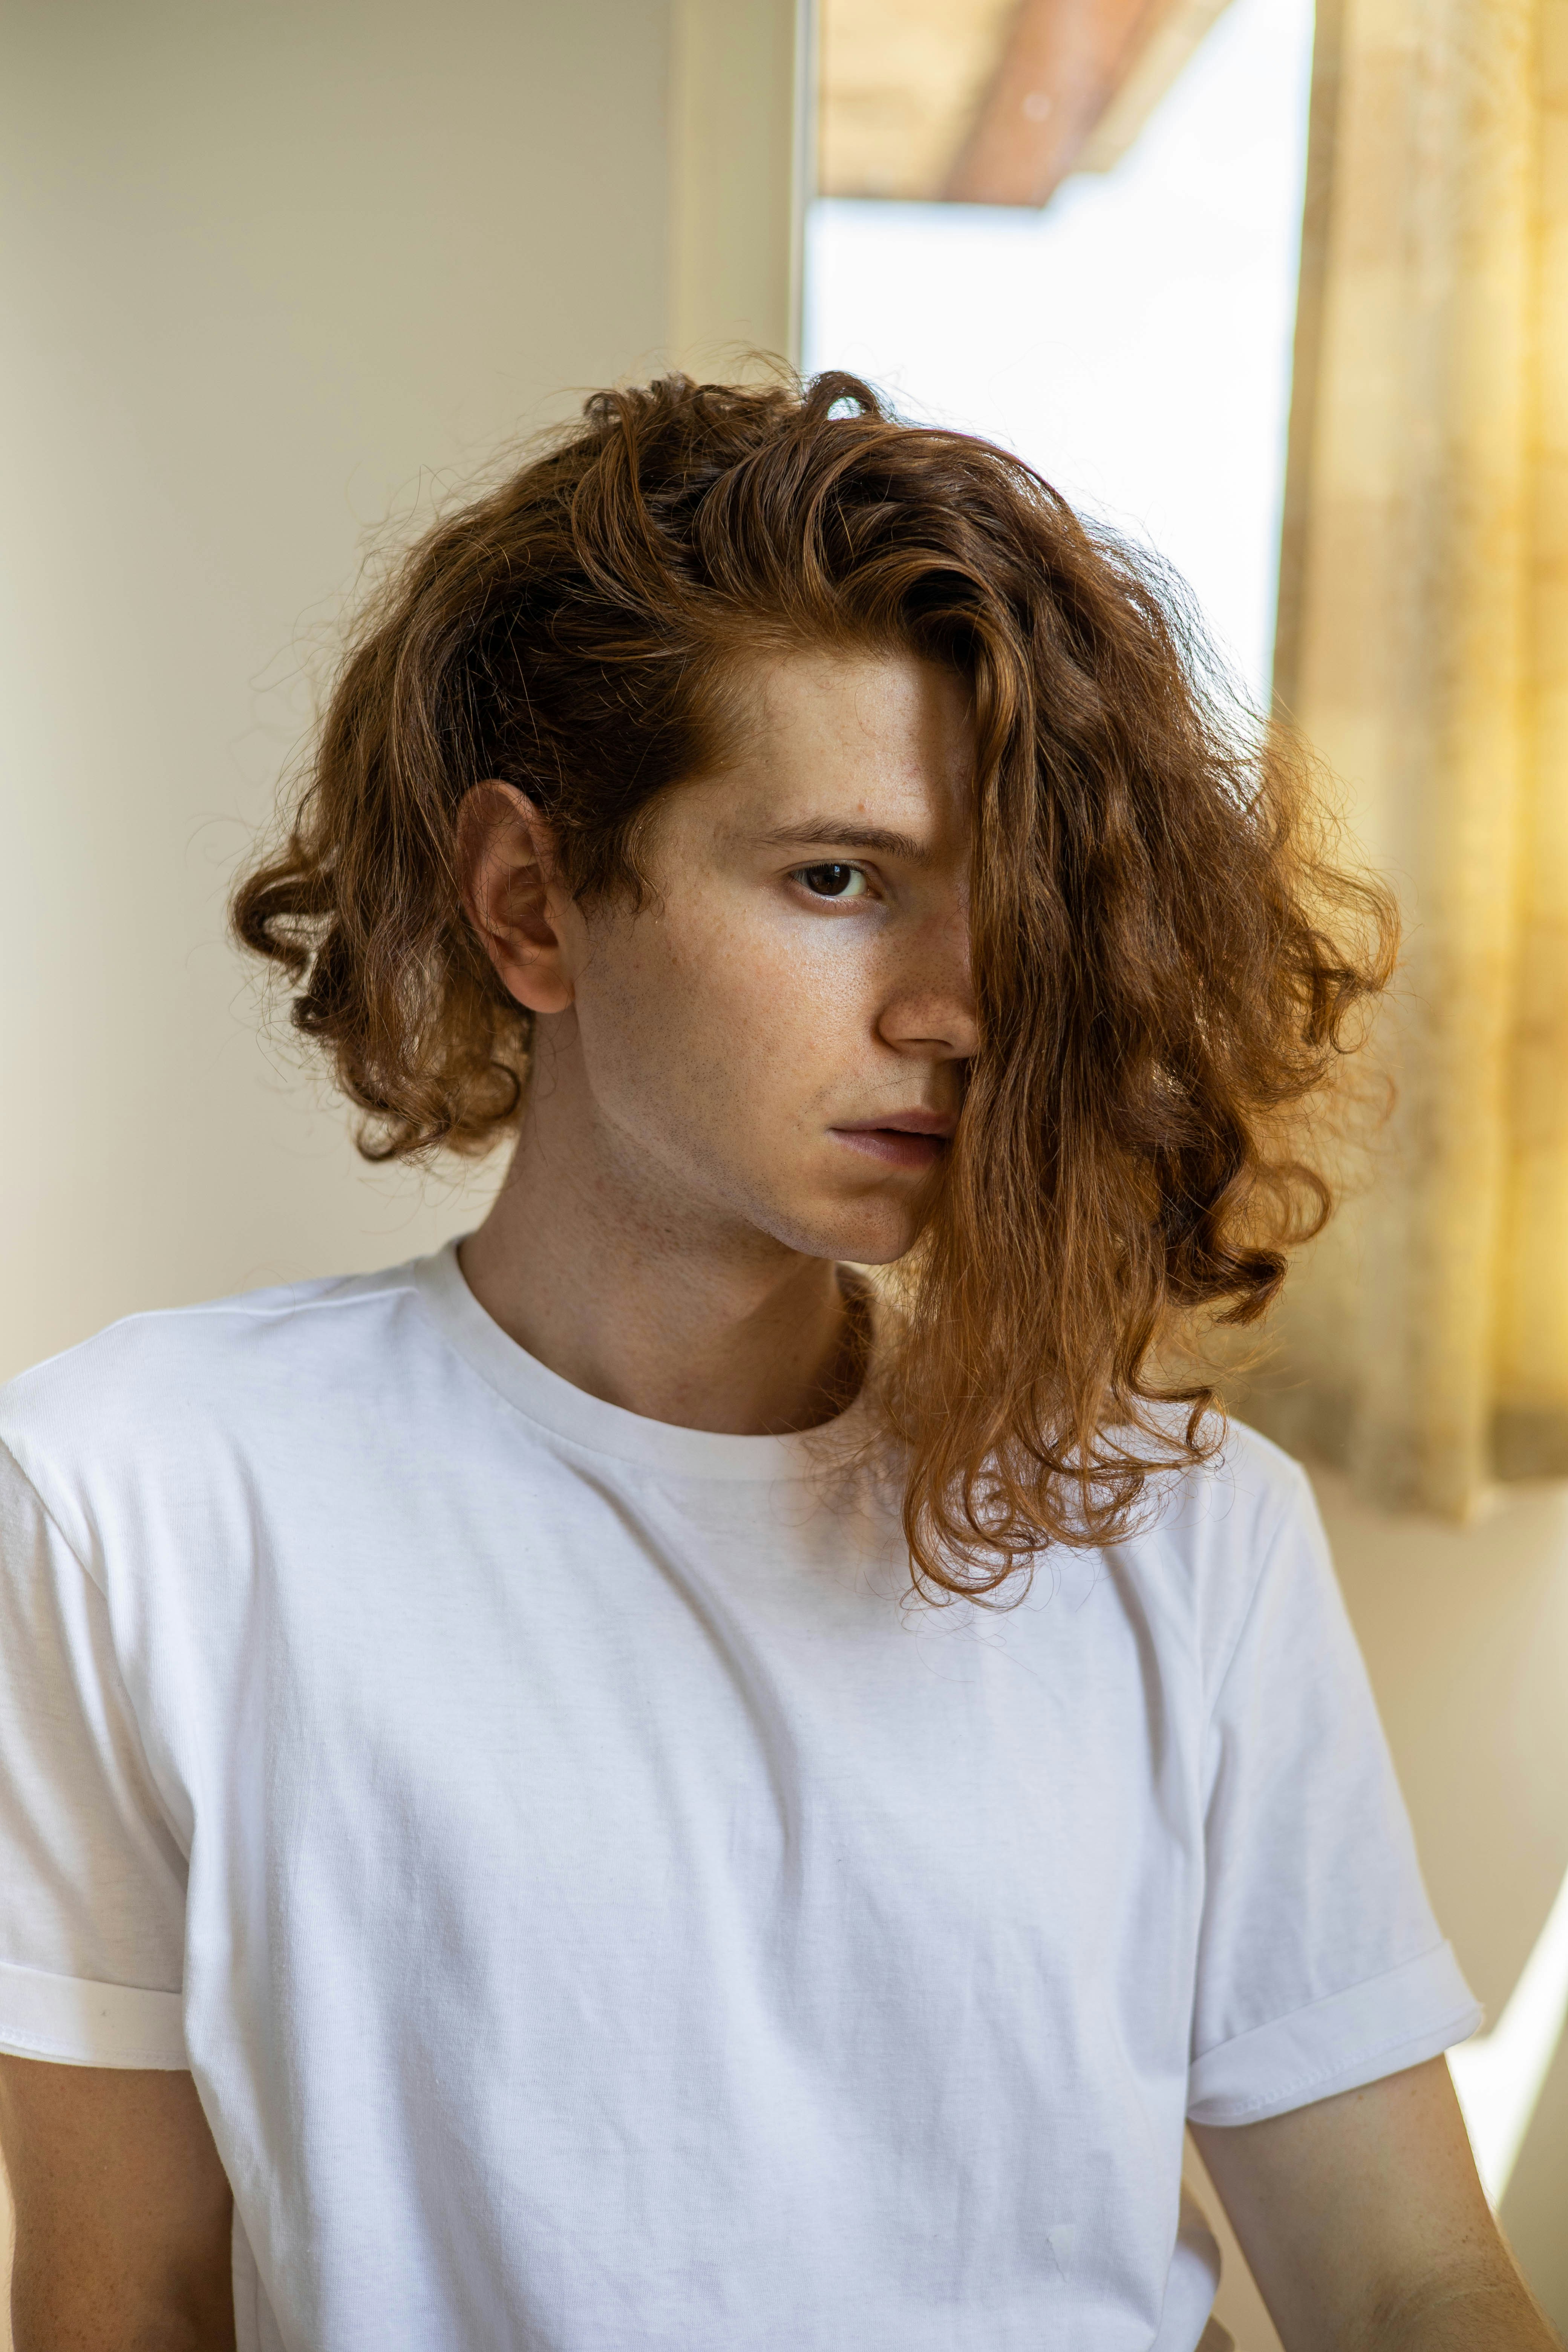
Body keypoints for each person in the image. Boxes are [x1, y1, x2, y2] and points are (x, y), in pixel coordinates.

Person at [0, 372, 1551, 2352]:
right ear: (532, 905)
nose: (960, 1008)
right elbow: (122, 2303)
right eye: (838, 879)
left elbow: (1405, 2278)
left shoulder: (1185, 1533)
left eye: (1012, 905)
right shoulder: (136, 1502)